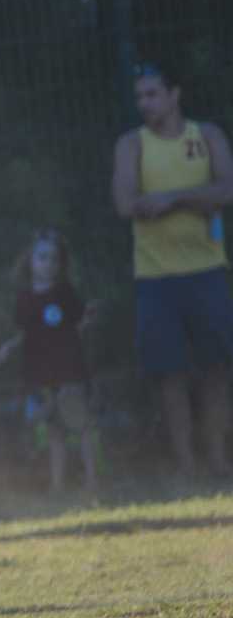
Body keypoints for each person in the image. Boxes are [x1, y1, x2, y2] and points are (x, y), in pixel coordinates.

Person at [110, 63, 232, 478]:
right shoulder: (132, 145)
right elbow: (127, 205)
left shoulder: (208, 135)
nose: (144, 104)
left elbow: (227, 190)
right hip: (155, 279)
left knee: (218, 370)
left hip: (208, 271)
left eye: (152, 95)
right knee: (170, 376)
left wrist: (171, 199)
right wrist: (198, 198)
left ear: (174, 95)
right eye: (139, 96)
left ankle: (219, 460)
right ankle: (186, 465)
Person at [0, 229, 100, 495]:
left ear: (60, 264)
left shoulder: (65, 292)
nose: (48, 263)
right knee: (53, 431)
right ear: (30, 260)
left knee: (80, 423)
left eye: (53, 259)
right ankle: (57, 484)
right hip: (40, 372)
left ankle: (92, 480)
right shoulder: (24, 298)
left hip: (69, 369)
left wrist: (89, 319)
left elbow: (79, 322)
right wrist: (7, 348)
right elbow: (26, 332)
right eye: (42, 257)